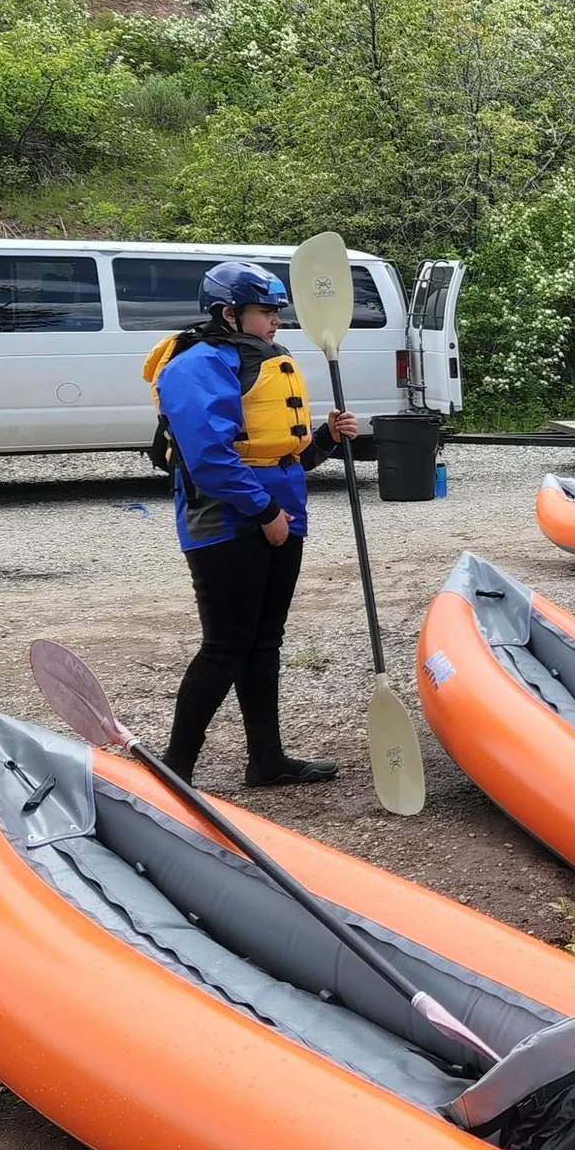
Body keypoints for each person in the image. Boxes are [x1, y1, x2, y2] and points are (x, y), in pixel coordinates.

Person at [145, 262, 362, 788]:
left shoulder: (267, 360)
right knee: (226, 643)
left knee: (265, 641)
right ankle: (177, 767)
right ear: (228, 314)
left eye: (276, 312)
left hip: (281, 513)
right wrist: (264, 513)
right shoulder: (197, 366)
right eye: (266, 312)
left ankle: (266, 759)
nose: (276, 322)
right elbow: (210, 459)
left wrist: (326, 440)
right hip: (227, 520)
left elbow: (286, 457)